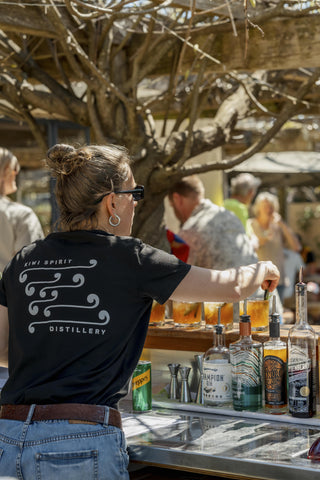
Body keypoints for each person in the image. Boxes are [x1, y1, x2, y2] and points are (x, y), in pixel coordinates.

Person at [0, 144, 280, 479]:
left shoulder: (23, 260)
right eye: (133, 193)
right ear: (112, 201)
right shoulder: (130, 257)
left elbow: (3, 351)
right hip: (78, 442)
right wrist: (262, 267)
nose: (135, 202)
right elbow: (228, 286)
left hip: (9, 436)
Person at [167, 175, 258, 270]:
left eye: (172, 206)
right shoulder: (229, 215)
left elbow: (180, 278)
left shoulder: (189, 232)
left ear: (177, 199)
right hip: (255, 281)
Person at [248, 191, 301, 303]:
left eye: (271, 207)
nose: (269, 210)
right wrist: (266, 236)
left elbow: (296, 247)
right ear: (258, 208)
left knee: (276, 316)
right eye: (265, 207)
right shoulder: (251, 224)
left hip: (279, 280)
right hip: (259, 281)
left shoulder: (278, 227)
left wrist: (282, 224)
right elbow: (251, 248)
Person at [0, 147, 44, 272]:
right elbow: (30, 266)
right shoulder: (21, 215)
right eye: (15, 168)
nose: (17, 173)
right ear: (6, 170)